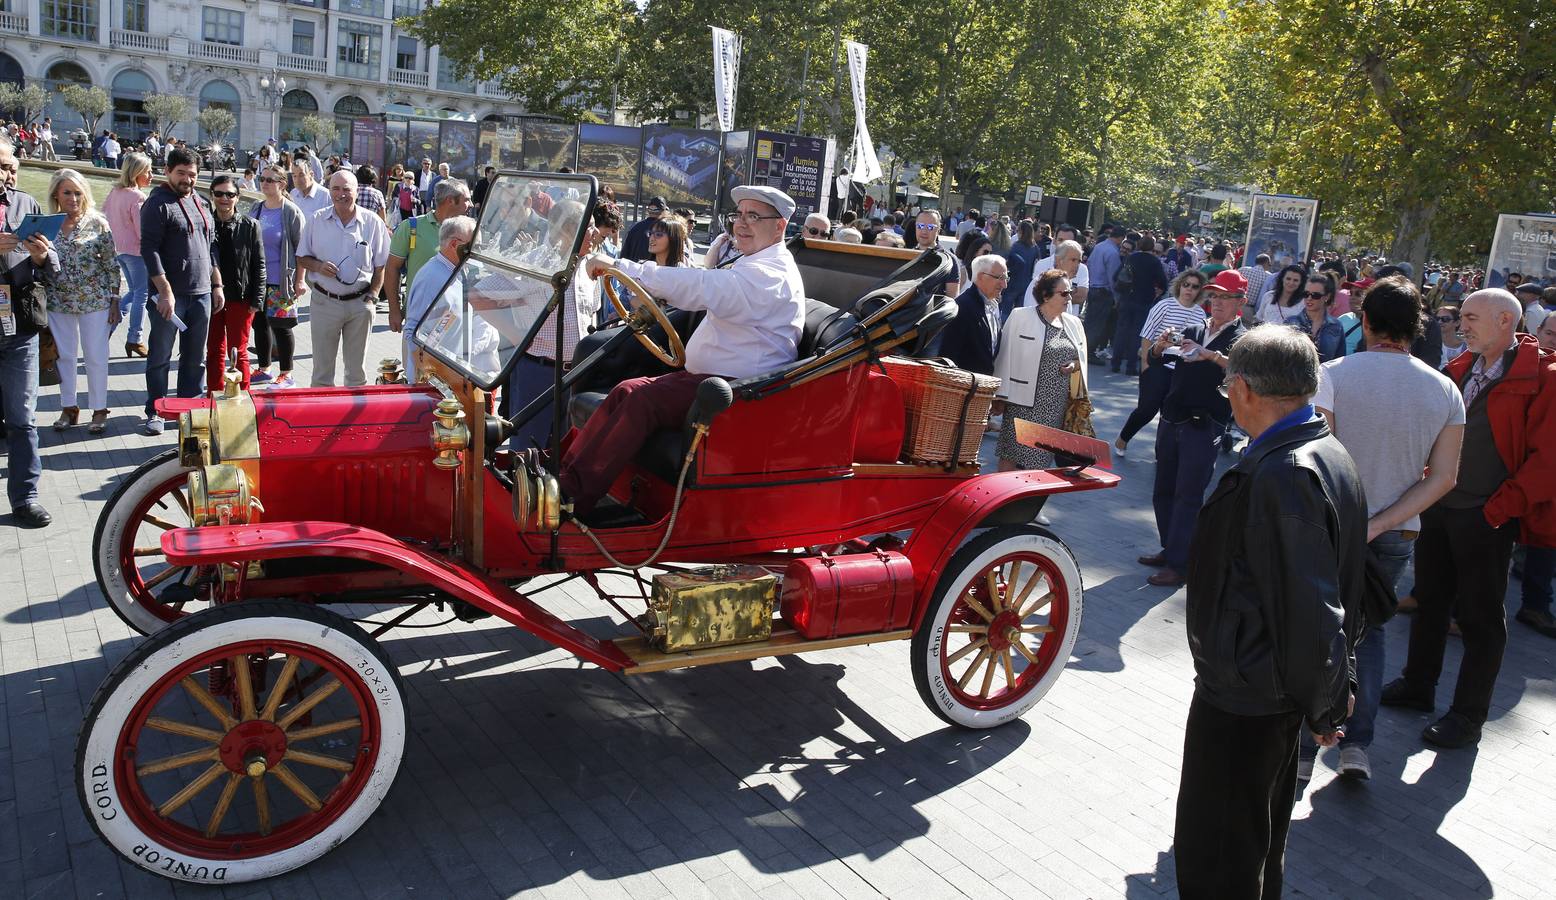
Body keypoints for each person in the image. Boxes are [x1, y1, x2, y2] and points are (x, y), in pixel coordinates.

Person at [1173, 324, 1367, 900]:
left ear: (1244, 390)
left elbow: (1314, 609)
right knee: (1252, 844)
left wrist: (1328, 700)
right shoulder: (1317, 450)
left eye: (1228, 381)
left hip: (1248, 697)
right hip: (1260, 689)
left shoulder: (1286, 472)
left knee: (1222, 854)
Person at [1295, 275, 1464, 782]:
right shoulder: (1444, 389)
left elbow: (1314, 456)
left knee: (1318, 629)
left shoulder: (1335, 374)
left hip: (1331, 526)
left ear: (1364, 320)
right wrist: (1384, 522)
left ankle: (1307, 745)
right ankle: (1356, 745)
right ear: (1417, 326)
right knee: (1369, 634)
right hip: (1394, 532)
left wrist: (1355, 523)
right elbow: (1446, 477)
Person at [562, 185, 806, 517]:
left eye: (754, 216)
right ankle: (564, 480)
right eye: (738, 215)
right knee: (625, 390)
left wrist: (622, 268)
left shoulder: (769, 275)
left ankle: (571, 499)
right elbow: (703, 286)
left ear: (779, 226)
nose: (741, 224)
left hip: (739, 394)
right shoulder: (753, 264)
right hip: (710, 382)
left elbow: (699, 287)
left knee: (640, 399)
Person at [1382, 289, 1556, 748]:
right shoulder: (1463, 367)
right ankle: (1418, 685)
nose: (1462, 325)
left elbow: (1548, 462)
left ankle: (1467, 716)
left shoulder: (1544, 377)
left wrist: (1499, 510)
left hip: (1487, 517)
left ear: (1505, 321)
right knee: (1430, 602)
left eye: (1471, 317)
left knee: (1480, 619)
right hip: (1442, 507)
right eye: (1462, 317)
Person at [1140, 271, 1249, 588]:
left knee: (1188, 494)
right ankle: (1170, 549)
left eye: (1226, 297)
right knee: (1163, 488)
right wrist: (1160, 347)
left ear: (1240, 302)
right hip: (1173, 417)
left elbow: (1245, 371)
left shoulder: (1242, 338)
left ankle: (1180, 562)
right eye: (1214, 295)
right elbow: (1155, 360)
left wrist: (1210, 355)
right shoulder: (1194, 327)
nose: (1217, 302)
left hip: (1205, 423)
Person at [504, 202, 619, 449]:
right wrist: (518, 337)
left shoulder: (588, 267)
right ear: (570, 230)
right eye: (589, 227)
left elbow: (591, 314)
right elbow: (480, 296)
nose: (596, 233)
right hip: (539, 372)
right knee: (527, 451)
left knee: (566, 449)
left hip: (577, 375)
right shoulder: (536, 263)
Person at [140, 147, 219, 437]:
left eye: (192, 174)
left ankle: (190, 411)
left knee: (195, 358)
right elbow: (148, 250)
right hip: (170, 297)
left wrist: (217, 284)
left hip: (202, 293)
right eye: (181, 173)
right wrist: (164, 292)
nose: (187, 179)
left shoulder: (201, 201)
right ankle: (156, 411)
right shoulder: (157, 204)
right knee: (160, 356)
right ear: (168, 171)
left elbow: (210, 247)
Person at [0, 138, 59, 526]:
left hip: (19, 325)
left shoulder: (25, 203)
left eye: (11, 169)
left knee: (23, 417)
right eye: (2, 167)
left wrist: (42, 256)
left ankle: (25, 497)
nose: (7, 175)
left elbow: (52, 265)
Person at [296, 170, 390, 387]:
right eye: (336, 189)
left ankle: (354, 420)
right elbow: (301, 257)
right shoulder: (316, 220)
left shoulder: (373, 222)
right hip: (324, 303)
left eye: (346, 189)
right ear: (329, 191)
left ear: (357, 192)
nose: (341, 194)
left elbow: (381, 265)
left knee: (356, 373)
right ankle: (321, 418)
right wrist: (318, 265)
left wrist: (373, 297)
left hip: (360, 305)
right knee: (322, 372)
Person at [43, 169, 119, 435]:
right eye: (67, 192)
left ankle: (99, 409)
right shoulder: (47, 224)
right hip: (58, 300)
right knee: (64, 356)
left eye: (77, 192)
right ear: (56, 194)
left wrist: (114, 300)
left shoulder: (98, 223)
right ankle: (69, 407)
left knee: (96, 356)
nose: (73, 198)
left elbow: (111, 264)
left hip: (94, 300)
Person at [992, 268, 1088, 472]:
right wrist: (999, 395)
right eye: (1064, 293)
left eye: (1071, 292)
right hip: (1022, 402)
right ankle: (1003, 501)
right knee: (1011, 454)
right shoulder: (1021, 316)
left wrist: (1073, 366)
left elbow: (1079, 359)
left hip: (1055, 405)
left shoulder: (1074, 324)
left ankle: (1027, 503)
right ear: (1046, 295)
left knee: (1039, 462)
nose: (1069, 297)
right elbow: (1004, 356)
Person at [1114, 270, 1208, 456]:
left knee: (1169, 414)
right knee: (1147, 409)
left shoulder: (1200, 314)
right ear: (1179, 285)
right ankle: (1123, 438)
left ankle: (1161, 452)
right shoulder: (1164, 305)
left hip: (1181, 368)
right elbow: (1147, 335)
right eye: (1186, 284)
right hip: (1157, 364)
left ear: (1200, 291)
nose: (1189, 289)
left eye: (1195, 286)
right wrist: (1145, 366)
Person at [204, 174, 265, 392]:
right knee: (214, 349)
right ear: (212, 196)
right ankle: (214, 393)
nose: (224, 199)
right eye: (219, 194)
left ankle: (243, 396)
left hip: (241, 297)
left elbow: (259, 263)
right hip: (211, 296)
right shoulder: (205, 223)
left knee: (238, 350)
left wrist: (258, 299)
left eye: (229, 194)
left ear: (237, 198)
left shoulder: (250, 225)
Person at [387, 178, 470, 335]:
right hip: (420, 318)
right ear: (450, 201)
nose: (471, 205)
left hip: (457, 316)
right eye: (466, 200)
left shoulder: (469, 231)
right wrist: (394, 309)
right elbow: (392, 268)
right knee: (415, 359)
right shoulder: (411, 227)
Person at [247, 164, 305, 388]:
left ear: (282, 184)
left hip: (282, 279)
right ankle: (264, 369)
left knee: (282, 326)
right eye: (262, 179)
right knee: (259, 325)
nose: (264, 183)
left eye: (270, 180)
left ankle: (287, 373)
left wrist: (300, 280)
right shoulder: (256, 208)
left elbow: (302, 249)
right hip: (258, 280)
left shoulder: (290, 211)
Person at [402, 215, 476, 384]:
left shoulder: (453, 270)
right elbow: (413, 332)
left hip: (453, 378)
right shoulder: (432, 277)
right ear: (454, 245)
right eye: (473, 245)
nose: (476, 251)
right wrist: (427, 381)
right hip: (437, 385)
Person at [102, 152, 152, 358]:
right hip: (136, 252)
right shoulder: (138, 197)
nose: (151, 175)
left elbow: (103, 216)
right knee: (142, 293)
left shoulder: (115, 192)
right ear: (137, 173)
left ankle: (109, 328)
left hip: (119, 250)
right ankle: (135, 338)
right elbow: (143, 231)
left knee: (133, 291)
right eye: (147, 171)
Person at [937, 254, 1007, 376]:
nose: (1004, 284)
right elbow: (948, 356)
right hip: (963, 388)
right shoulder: (962, 307)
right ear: (981, 277)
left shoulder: (992, 306)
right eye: (1000, 278)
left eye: (1006, 278)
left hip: (981, 388)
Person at [1113, 235, 1169, 377]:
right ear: (1152, 247)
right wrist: (1157, 290)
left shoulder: (1131, 258)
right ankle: (1131, 366)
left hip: (1127, 297)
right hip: (1144, 299)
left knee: (1121, 330)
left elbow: (1116, 275)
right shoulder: (1154, 262)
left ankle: (1116, 362)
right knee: (1137, 333)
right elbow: (1163, 282)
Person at [1023, 224, 1088, 319]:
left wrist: (1056, 295)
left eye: (1079, 261)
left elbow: (1082, 297)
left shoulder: (1075, 274)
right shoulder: (1041, 275)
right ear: (1059, 260)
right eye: (1073, 260)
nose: (1076, 265)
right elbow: (1034, 306)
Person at [1286, 272, 1347, 361]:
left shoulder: (1336, 326)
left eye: (1315, 295)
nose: (1309, 298)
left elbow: (1339, 361)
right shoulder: (1290, 322)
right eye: (1306, 294)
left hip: (1324, 374)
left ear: (1327, 297)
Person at [1086, 226, 1124, 364]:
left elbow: (1089, 263)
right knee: (1097, 324)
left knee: (1090, 321)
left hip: (1093, 287)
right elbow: (1113, 276)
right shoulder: (1113, 252)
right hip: (1104, 291)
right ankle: (1089, 352)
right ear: (1121, 238)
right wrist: (1116, 297)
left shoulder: (1099, 246)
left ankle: (1086, 349)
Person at [913, 209, 960, 297]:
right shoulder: (905, 255)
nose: (924, 231)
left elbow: (952, 298)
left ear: (938, 230)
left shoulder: (949, 260)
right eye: (920, 226)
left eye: (930, 227)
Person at [1002, 220, 1041, 319]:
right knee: (1020, 312)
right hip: (1027, 283)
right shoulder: (1035, 247)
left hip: (1013, 282)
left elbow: (1008, 263)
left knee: (1006, 310)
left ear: (1021, 232)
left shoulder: (1015, 246)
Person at [621, 195, 667, 262]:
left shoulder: (635, 226)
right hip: (652, 270)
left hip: (631, 269)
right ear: (663, 211)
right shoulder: (664, 229)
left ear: (648, 210)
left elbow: (624, 254)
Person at [1436, 304, 1467, 370]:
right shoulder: (1430, 344)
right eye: (1437, 319)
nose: (1440, 321)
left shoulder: (1468, 347)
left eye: (1445, 319)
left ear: (1457, 322)